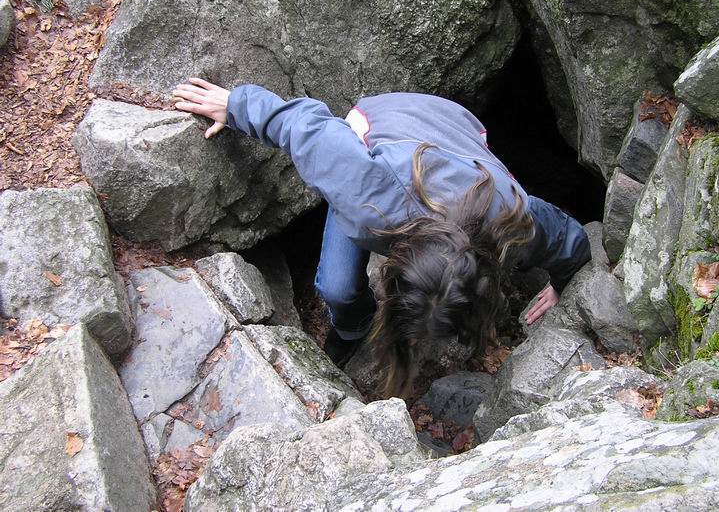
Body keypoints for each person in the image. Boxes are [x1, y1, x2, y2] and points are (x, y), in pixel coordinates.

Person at [173, 77, 591, 396]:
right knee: (337, 288)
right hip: (386, 121)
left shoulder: (509, 218)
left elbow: (563, 237)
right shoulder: (369, 191)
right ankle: (350, 330)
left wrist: (563, 280)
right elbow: (305, 126)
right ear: (394, 266)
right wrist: (236, 105)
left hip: (457, 136)